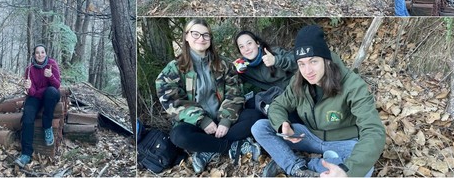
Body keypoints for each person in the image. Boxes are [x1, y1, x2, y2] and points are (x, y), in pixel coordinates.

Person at [251, 25, 386, 177]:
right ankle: (297, 169)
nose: (307, 71)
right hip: (310, 137)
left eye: (313, 61)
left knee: (365, 170)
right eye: (301, 64)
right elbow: (278, 105)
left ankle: (307, 164)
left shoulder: (352, 85)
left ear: (326, 60)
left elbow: (374, 131)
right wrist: (282, 124)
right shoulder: (299, 81)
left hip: (344, 142)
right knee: (259, 128)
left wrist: (347, 172)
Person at [156, 19, 263, 174]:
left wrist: (226, 120)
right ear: (186, 36)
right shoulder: (174, 68)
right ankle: (230, 147)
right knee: (179, 136)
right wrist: (202, 121)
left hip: (226, 122)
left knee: (255, 116)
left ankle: (208, 149)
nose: (201, 39)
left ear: (210, 39)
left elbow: (235, 93)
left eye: (206, 35)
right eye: (196, 34)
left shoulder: (223, 64)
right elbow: (171, 100)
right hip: (197, 125)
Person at [14, 44, 61, 167]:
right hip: (36, 97)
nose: (40, 55)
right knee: (28, 115)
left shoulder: (52, 64)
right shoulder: (29, 69)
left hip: (50, 95)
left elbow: (57, 86)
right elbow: (33, 93)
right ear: (34, 55)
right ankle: (26, 154)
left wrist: (50, 76)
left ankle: (47, 128)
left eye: (42, 52)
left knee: (51, 92)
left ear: (46, 53)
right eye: (37, 53)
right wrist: (29, 88)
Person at [234, 31, 297, 113]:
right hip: (277, 98)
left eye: (249, 43)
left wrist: (276, 60)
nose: (246, 49)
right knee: (250, 105)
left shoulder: (273, 52)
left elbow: (299, 63)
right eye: (241, 47)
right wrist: (232, 70)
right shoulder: (245, 68)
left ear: (257, 43)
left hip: (295, 92)